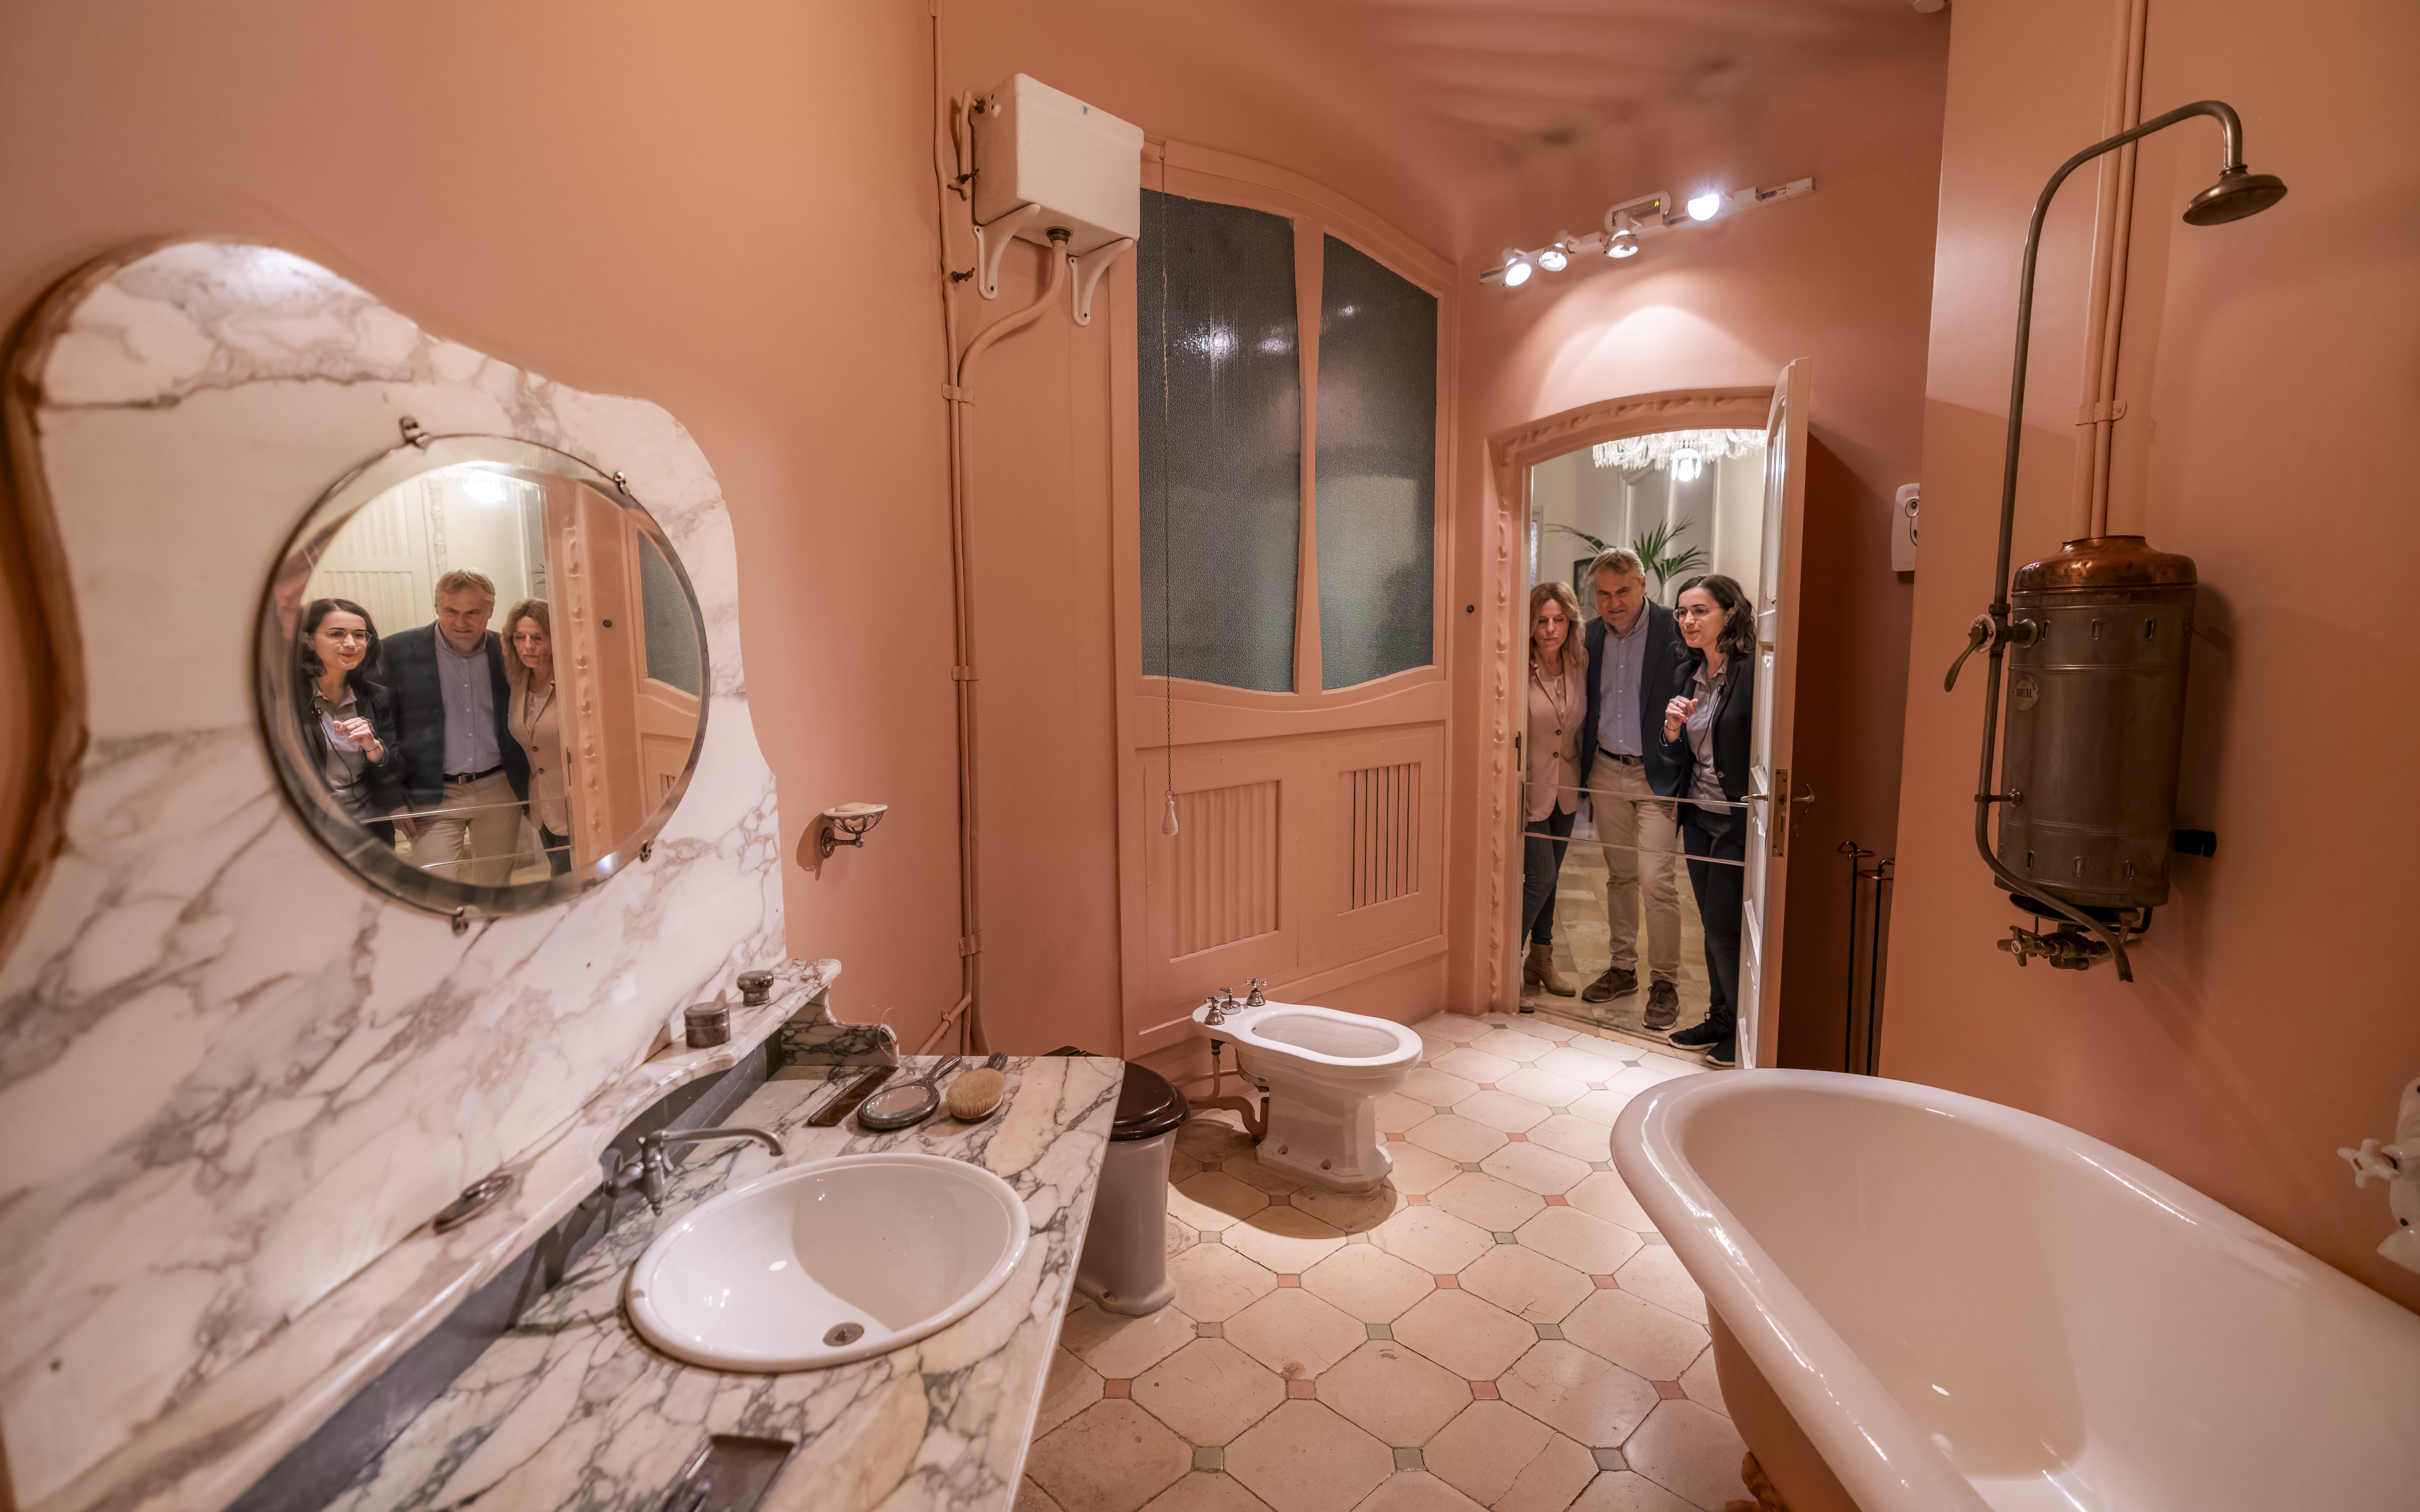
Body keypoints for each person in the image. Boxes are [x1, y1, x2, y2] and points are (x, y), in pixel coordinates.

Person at [1575, 548, 1691, 1032]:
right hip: (1605, 769)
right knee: (1619, 875)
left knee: (1655, 880)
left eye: (1623, 591)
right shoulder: (1592, 636)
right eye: (1604, 593)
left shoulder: (1673, 631)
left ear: (1643, 586)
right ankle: (1623, 968)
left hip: (1655, 775)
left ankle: (1665, 981)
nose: (1613, 602)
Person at [1660, 574, 1757, 1068]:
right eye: (1681, 612)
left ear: (1729, 613)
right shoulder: (1690, 674)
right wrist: (1672, 728)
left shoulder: (1751, 672)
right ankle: (1719, 1018)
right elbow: (1680, 755)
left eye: (1699, 610)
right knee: (1710, 924)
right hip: (1698, 816)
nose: (1688, 621)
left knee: (1724, 928)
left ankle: (1741, 1030)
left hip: (1737, 819)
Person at [383, 570, 531, 887]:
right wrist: (393, 795)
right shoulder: (396, 651)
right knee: (438, 889)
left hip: (499, 787)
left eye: (473, 612)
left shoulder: (510, 651)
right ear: (437, 607)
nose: (461, 622)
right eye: (451, 611)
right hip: (431, 793)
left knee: (495, 886)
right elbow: (384, 729)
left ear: (490, 611)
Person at [1521, 581, 1589, 1001]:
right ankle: (1506, 961)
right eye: (1542, 621)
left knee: (1553, 878)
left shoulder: (1579, 661)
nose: (1550, 629)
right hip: (1527, 787)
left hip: (1566, 787)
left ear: (1570, 622)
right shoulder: (1516, 665)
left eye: (1558, 620)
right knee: (1539, 876)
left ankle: (1540, 961)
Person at [295, 598, 404, 835]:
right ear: (310, 641)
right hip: (313, 830)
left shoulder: (376, 695)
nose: (351, 644)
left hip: (372, 828)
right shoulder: (287, 699)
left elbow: (395, 765)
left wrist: (374, 748)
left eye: (360, 635)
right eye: (336, 634)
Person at [504, 598, 572, 877]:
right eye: (520, 638)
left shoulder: (573, 682)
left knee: (568, 885)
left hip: (577, 803)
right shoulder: (517, 681)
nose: (527, 647)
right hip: (542, 805)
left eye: (537, 638)